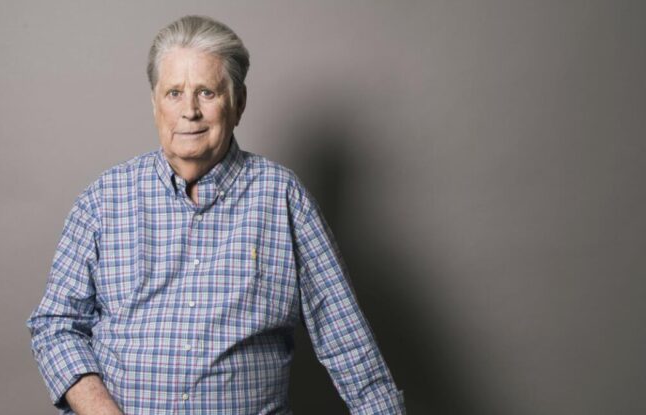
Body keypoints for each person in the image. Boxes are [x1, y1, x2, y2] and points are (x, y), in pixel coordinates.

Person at [26, 15, 405, 415]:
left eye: (206, 92)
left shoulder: (282, 198)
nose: (189, 111)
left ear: (238, 103)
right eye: (174, 93)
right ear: (154, 103)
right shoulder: (103, 200)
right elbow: (55, 326)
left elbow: (347, 341)